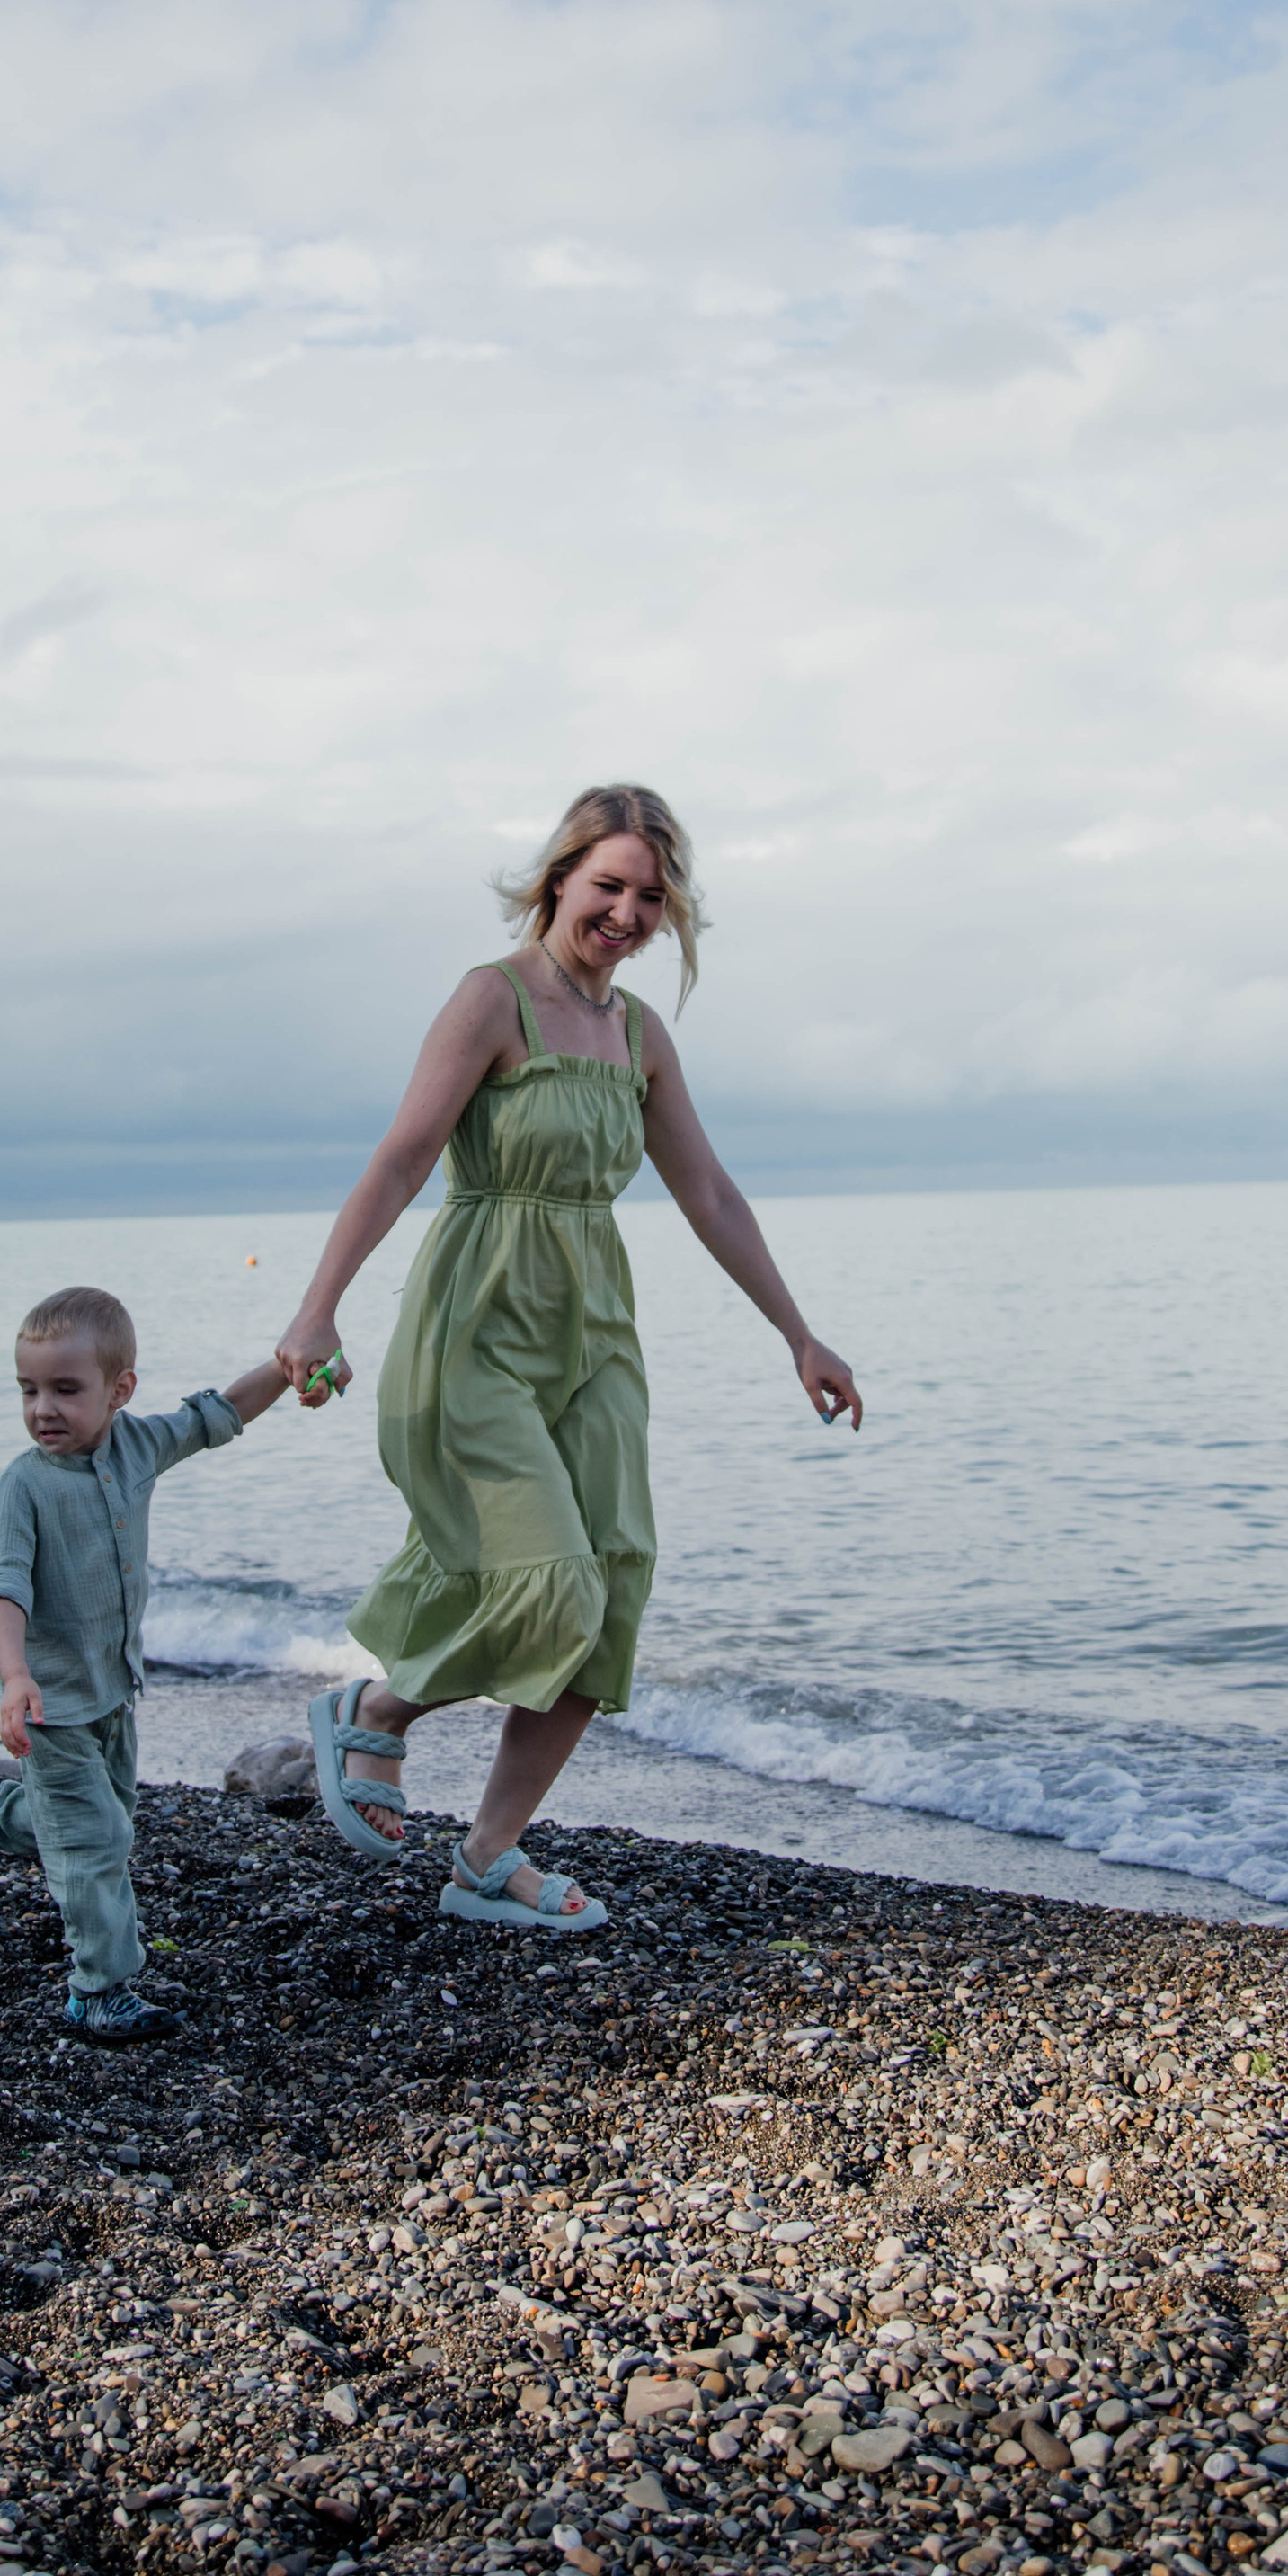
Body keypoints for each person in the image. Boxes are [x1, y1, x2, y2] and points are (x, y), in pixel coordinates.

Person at [277, 783, 861, 1935]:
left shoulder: (642, 1035)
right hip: (480, 1320)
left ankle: (486, 1859)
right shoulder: (492, 1000)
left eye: (651, 894)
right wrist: (316, 1310)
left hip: (594, 1333)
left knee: (612, 1590)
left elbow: (708, 1192)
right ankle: (377, 1712)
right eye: (608, 885)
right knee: (551, 1579)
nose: (627, 912)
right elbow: (400, 1160)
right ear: (558, 878)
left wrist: (798, 1332)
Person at [0, 1284, 292, 2043]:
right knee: (97, 1842)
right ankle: (99, 1990)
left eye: (66, 1390)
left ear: (119, 1390)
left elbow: (213, 1418)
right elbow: (3, 1588)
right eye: (28, 1391)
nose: (42, 1410)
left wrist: (287, 1369)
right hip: (49, 1705)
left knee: (80, 1822)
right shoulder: (20, 1489)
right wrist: (14, 1677)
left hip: (113, 1693)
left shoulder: (135, 1446)